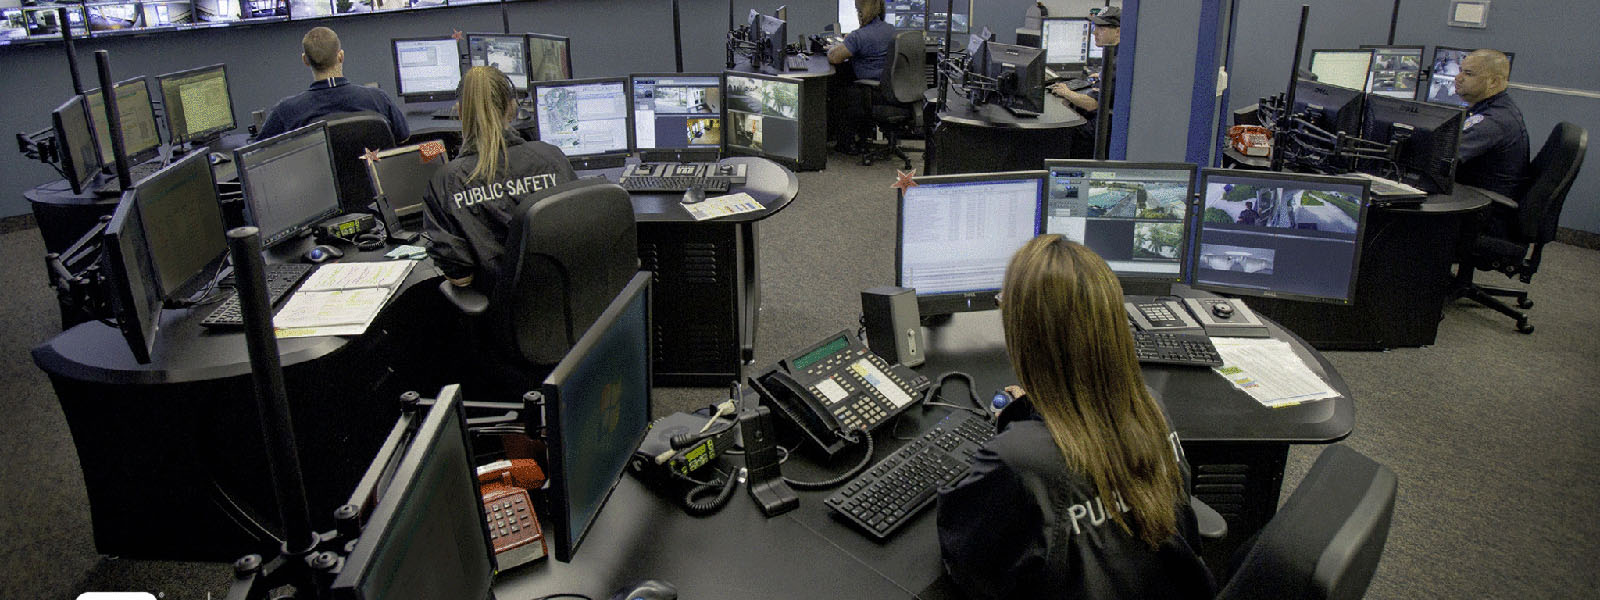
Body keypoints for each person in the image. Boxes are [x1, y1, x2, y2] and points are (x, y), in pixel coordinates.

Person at [936, 235, 1215, 600]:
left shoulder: (1019, 460)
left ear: (1027, 332)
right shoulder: (1150, 407)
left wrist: (1012, 432)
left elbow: (966, 563)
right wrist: (1030, 410)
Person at [421, 66, 577, 290]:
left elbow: (461, 277)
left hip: (499, 315)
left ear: (460, 111)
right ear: (512, 108)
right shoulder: (551, 157)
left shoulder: (447, 181)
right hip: (568, 302)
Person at [254, 27, 409, 143]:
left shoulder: (286, 111)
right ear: (340, 56)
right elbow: (403, 138)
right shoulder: (378, 99)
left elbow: (256, 155)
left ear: (305, 60)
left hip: (318, 186)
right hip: (377, 184)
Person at [1454, 49, 1530, 199]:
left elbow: (1445, 157)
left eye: (1468, 74)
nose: (1458, 78)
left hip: (1483, 208)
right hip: (1475, 196)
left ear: (1493, 82)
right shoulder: (1496, 107)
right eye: (1460, 71)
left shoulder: (1494, 121)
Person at [1049, 7, 1120, 157]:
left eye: (1101, 28)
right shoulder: (1116, 55)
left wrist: (1066, 92)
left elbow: (1091, 104)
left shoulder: (1116, 63)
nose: (1095, 33)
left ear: (1118, 31)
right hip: (1107, 119)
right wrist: (1101, 76)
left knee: (1064, 133)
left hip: (1106, 126)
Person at [827, 0, 896, 153]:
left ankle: (847, 144)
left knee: (838, 93)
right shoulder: (891, 30)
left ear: (860, 12)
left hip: (873, 92)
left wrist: (832, 47)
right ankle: (861, 137)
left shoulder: (859, 36)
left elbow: (834, 58)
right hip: (892, 90)